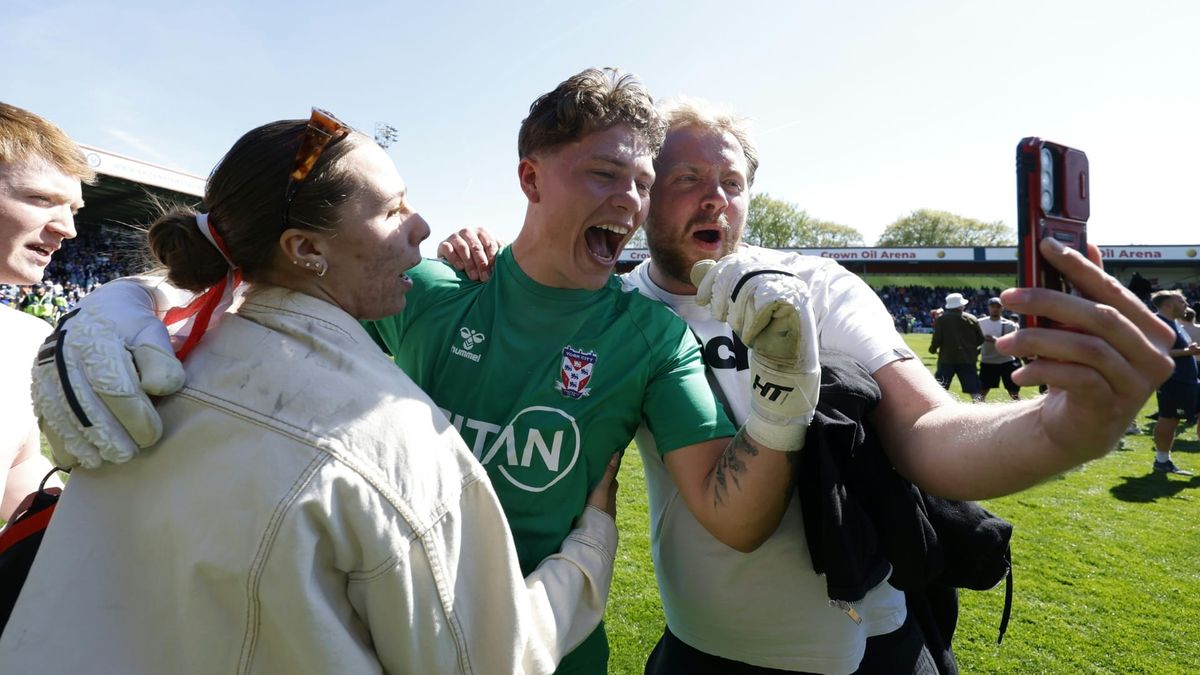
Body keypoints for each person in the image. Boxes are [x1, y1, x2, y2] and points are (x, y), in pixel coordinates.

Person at [28, 72, 817, 675]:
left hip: (554, 652)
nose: (633, 198)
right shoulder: (426, 289)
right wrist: (127, 302)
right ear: (530, 177)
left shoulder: (651, 338)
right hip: (382, 636)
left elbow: (733, 516)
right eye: (608, 174)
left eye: (643, 183)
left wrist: (780, 409)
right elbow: (263, 281)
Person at [441, 96, 1174, 674]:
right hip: (713, 651)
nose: (715, 200)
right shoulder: (621, 312)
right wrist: (480, 260)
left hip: (882, 641)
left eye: (732, 183)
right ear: (644, 194)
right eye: (687, 180)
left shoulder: (816, 286)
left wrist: (1063, 427)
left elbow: (925, 430)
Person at [1, 110, 623, 674]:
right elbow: (494, 664)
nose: (423, 227)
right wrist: (591, 547)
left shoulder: (148, 356)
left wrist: (135, 294)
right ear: (304, 249)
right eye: (392, 210)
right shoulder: (396, 439)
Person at [0, 102, 90, 521]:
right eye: (40, 199)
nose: (67, 228)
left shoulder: (25, 338)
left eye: (72, 209)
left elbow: (17, 469)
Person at [1148, 290, 1199, 475]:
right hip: (1173, 381)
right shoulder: (1158, 323)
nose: (1186, 303)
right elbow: (1155, 353)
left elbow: (1181, 350)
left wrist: (1191, 350)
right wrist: (1187, 352)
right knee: (1169, 420)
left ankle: (1163, 461)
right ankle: (1162, 461)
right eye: (1181, 300)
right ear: (1168, 305)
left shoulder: (1175, 323)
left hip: (1189, 380)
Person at [929, 292, 984, 402]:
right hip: (967, 359)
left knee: (940, 389)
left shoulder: (942, 320)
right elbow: (981, 339)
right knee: (974, 390)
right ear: (961, 305)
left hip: (947, 359)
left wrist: (933, 349)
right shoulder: (972, 319)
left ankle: (937, 410)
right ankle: (981, 409)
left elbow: (937, 339)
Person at [977, 297, 1022, 401]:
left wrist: (995, 341)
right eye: (993, 306)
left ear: (1002, 308)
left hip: (1006, 361)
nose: (995, 309)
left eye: (998, 306)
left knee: (1013, 392)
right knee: (982, 392)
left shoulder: (1010, 325)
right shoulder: (980, 323)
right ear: (988, 308)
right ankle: (978, 414)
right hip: (988, 361)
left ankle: (1022, 413)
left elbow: (1013, 343)